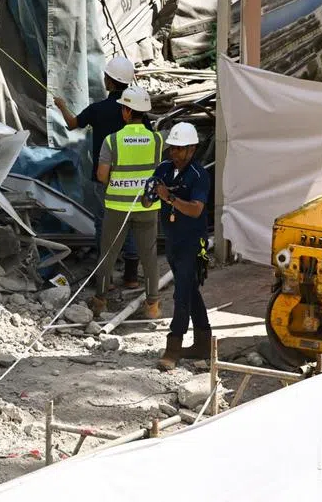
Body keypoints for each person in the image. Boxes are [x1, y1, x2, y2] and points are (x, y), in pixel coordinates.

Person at [54, 55, 141, 290]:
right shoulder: (135, 111)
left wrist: (61, 105)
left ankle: (106, 279)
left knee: (104, 227)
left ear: (110, 81)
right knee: (129, 224)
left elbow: (73, 124)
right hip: (131, 178)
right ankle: (131, 277)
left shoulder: (98, 109)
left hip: (104, 178)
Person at [144, 122, 211, 371]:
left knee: (181, 293)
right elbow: (149, 201)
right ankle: (203, 342)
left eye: (180, 149)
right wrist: (150, 193)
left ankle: (173, 345)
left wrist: (169, 197)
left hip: (192, 242)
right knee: (189, 289)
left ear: (192, 149)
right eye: (172, 148)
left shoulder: (199, 175)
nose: (174, 153)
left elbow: (195, 210)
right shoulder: (163, 169)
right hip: (172, 239)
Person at [89, 86, 162, 319]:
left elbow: (102, 175)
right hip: (147, 207)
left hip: (117, 207)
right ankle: (153, 306)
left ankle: (100, 301)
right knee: (149, 256)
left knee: (108, 254)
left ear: (127, 112)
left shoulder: (113, 141)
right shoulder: (157, 140)